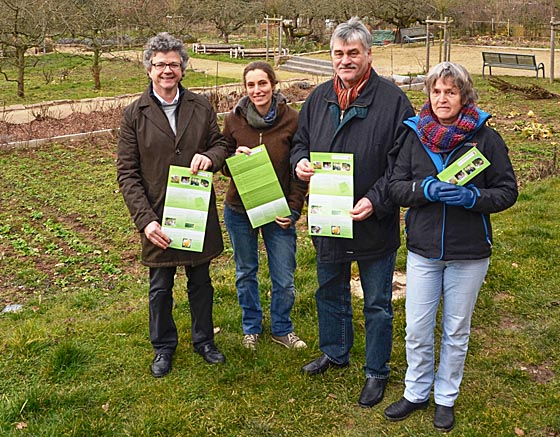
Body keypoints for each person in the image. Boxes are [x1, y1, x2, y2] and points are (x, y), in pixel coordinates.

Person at [385, 62, 518, 432]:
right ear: (428, 95)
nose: (443, 98)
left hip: (469, 252)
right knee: (417, 327)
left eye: (451, 92)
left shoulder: (484, 138)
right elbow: (396, 186)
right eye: (437, 91)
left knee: (456, 329)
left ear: (464, 96)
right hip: (423, 249)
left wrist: (472, 196)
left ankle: (445, 396)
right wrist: (422, 190)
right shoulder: (414, 136)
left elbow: (507, 191)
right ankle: (416, 391)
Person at [290, 17, 414, 407]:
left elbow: (401, 164)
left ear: (368, 54)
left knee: (377, 300)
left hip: (372, 219)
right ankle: (335, 350)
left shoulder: (393, 101)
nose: (345, 60)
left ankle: (376, 370)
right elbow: (300, 142)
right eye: (338, 54)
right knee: (330, 288)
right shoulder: (319, 97)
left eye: (353, 53)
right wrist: (300, 163)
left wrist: (376, 200)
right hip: (329, 217)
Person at [117, 32, 231, 378]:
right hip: (158, 215)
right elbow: (127, 172)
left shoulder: (201, 106)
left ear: (183, 69)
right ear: (149, 69)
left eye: (174, 64)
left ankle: (204, 341)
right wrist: (145, 221)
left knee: (201, 282)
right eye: (160, 64)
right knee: (160, 286)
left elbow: (221, 145)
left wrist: (210, 158)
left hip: (195, 212)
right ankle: (163, 347)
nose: (167, 70)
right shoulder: (134, 114)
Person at [222, 61, 308, 351]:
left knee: (283, 275)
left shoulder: (293, 120)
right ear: (244, 88)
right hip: (239, 209)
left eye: (262, 83)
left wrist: (294, 209)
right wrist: (234, 156)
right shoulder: (233, 120)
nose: (257, 90)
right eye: (251, 85)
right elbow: (222, 163)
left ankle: (282, 328)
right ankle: (251, 327)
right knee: (246, 271)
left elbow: (299, 169)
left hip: (277, 210)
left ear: (273, 85)